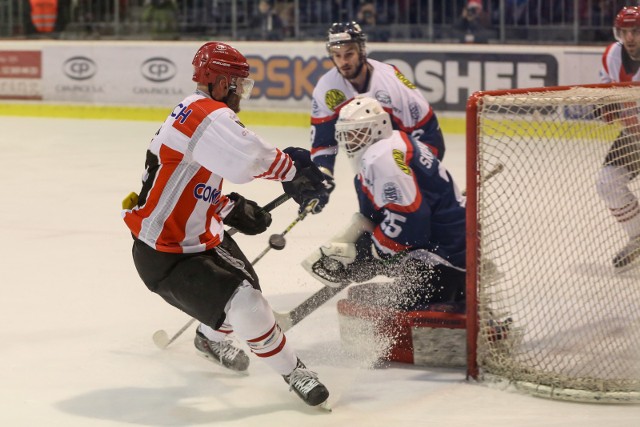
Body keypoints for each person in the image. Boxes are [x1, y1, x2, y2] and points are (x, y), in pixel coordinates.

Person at [121, 41, 330, 407]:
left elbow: (186, 180)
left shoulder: (197, 114)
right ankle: (294, 370)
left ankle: (208, 338)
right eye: (237, 83)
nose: (241, 93)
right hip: (166, 254)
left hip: (197, 238)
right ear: (219, 82)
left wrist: (227, 206)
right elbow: (250, 158)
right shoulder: (207, 114)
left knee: (247, 294)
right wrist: (294, 170)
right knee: (248, 306)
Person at [304, 96, 466, 311]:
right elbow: (383, 215)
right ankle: (457, 296)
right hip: (449, 248)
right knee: (370, 297)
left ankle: (451, 309)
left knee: (381, 310)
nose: (351, 142)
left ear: (378, 127)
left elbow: (412, 222)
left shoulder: (382, 160)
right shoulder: (393, 143)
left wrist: (373, 252)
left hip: (446, 258)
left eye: (357, 133)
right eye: (346, 135)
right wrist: (359, 242)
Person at [309, 22, 446, 214]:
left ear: (362, 51)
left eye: (349, 54)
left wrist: (418, 178)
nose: (343, 62)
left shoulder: (391, 81)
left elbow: (429, 133)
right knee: (364, 184)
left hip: (406, 154)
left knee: (406, 208)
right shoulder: (327, 87)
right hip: (369, 163)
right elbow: (323, 142)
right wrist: (321, 176)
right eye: (337, 56)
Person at [596, 6, 640, 270]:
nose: (630, 37)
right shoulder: (612, 55)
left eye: (635, 31)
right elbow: (605, 102)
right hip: (634, 136)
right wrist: (604, 106)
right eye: (625, 31)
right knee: (607, 182)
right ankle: (638, 236)